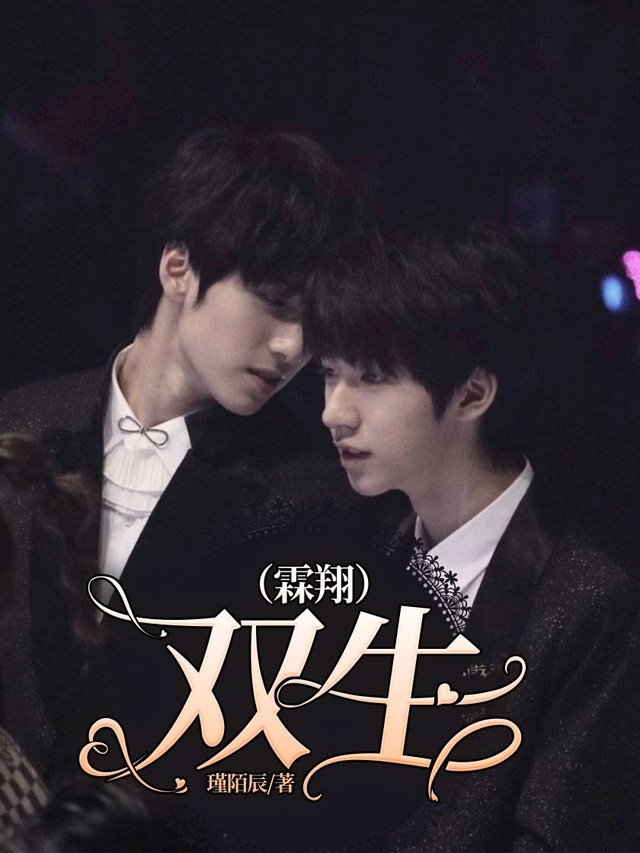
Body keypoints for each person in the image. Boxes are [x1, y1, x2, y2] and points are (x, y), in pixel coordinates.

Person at [0, 126, 400, 803]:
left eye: (313, 325)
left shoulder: (317, 499)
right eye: (276, 303)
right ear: (178, 268)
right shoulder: (20, 425)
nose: (293, 348)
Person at [303, 222, 640, 851]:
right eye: (329, 373)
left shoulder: (591, 605)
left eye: (371, 377)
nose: (334, 411)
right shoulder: (352, 562)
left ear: (472, 393)